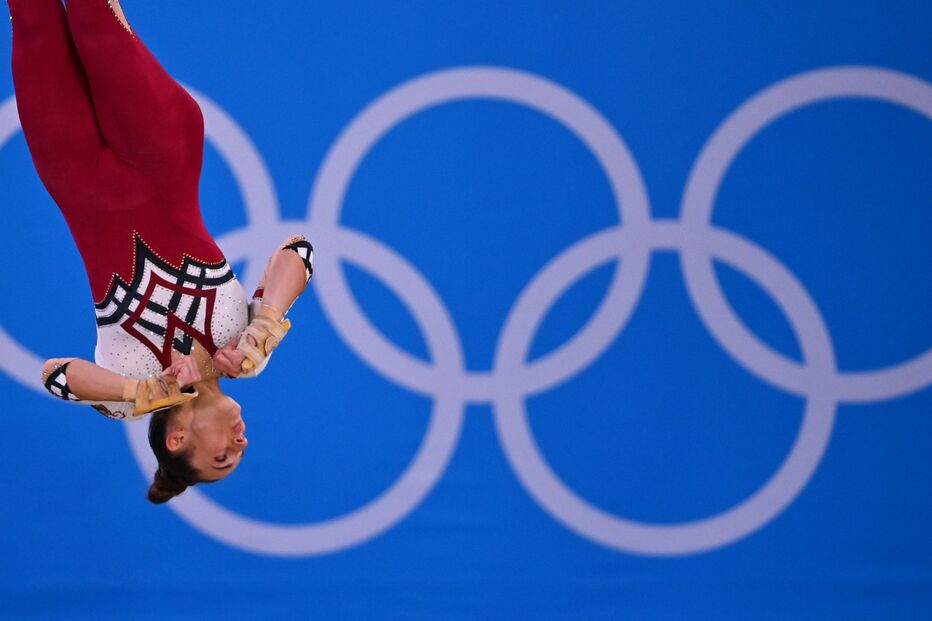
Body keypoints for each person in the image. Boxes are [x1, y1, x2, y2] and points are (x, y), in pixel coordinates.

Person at [8, 0, 314, 503]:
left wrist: (143, 393)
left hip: (71, 170)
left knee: (32, 15)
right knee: (91, 14)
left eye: (223, 456)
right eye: (238, 453)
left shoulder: (126, 395)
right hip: (160, 150)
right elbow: (298, 250)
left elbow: (55, 375)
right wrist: (264, 329)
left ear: (178, 440)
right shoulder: (241, 350)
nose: (241, 442)